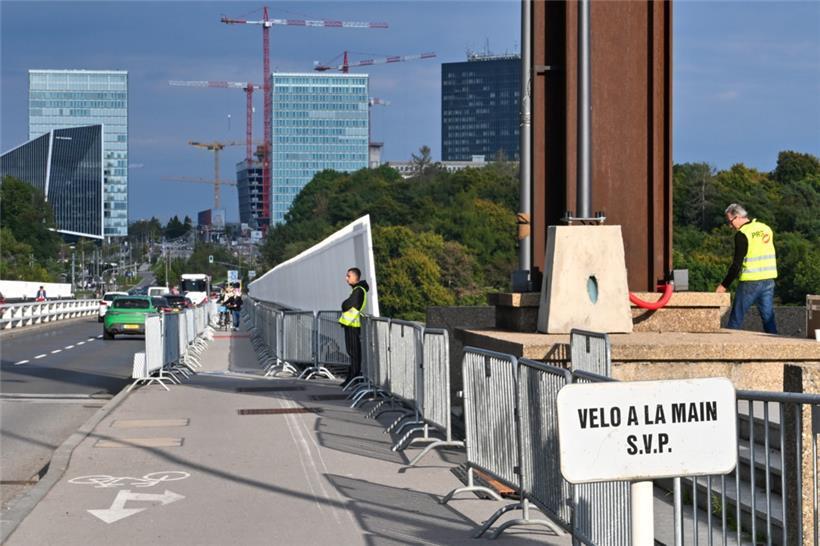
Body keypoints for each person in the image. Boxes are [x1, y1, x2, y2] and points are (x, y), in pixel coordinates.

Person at [716, 203, 778, 334]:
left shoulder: (742, 234)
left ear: (737, 217)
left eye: (730, 221)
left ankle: (727, 349)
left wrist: (723, 285)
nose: (730, 225)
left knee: (735, 319)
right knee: (768, 319)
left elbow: (736, 264)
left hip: (750, 281)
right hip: (768, 280)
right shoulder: (765, 228)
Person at [338, 267, 369, 388]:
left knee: (354, 353)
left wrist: (344, 304)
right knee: (352, 352)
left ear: (356, 277)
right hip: (350, 325)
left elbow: (349, 305)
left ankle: (354, 378)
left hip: (353, 326)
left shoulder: (359, 291)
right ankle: (352, 377)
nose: (346, 278)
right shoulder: (357, 290)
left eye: (348, 276)